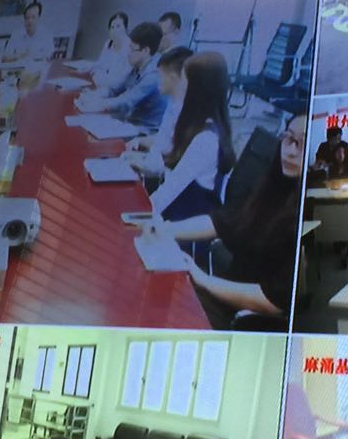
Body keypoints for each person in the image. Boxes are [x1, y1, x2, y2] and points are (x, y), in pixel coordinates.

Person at [150, 114, 307, 329]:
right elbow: (223, 222)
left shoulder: (303, 215)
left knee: (164, 313)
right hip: (223, 291)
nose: (290, 151)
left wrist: (203, 280)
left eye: (302, 144)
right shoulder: (272, 186)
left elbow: (274, 300)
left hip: (245, 316)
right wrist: (164, 229)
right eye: (288, 138)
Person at [148, 52, 235, 221]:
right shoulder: (198, 123)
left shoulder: (206, 140)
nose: (179, 84)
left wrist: (135, 213)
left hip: (182, 223)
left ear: (196, 89)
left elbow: (170, 190)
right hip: (175, 212)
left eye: (183, 80)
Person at [79, 21, 167, 131]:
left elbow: (126, 102)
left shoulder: (153, 75)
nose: (127, 53)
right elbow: (116, 90)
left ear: (145, 51)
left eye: (132, 49)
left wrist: (98, 103)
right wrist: (93, 95)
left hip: (143, 130)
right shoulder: (137, 64)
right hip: (128, 121)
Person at [125, 45, 195, 176]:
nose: (157, 81)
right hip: (154, 165)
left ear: (173, 78)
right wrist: (140, 142)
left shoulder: (186, 113)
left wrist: (140, 163)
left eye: (160, 76)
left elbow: (173, 163)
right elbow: (164, 140)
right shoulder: (173, 103)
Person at [79, 11, 132, 94]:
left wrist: (98, 77)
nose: (114, 30)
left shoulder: (130, 48)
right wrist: (95, 72)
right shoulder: (108, 43)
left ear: (126, 29)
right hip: (101, 87)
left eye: (118, 26)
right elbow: (100, 65)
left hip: (119, 93)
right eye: (112, 27)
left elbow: (119, 82)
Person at [1, 1, 52, 67]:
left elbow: (49, 58)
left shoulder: (46, 35)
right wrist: (22, 55)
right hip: (18, 71)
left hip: (39, 70)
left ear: (39, 18)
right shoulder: (16, 35)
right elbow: (4, 59)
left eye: (33, 17)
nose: (30, 21)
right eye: (27, 18)